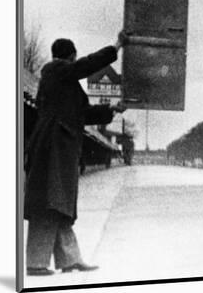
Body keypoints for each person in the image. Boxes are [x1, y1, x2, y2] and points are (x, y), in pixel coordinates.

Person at [24, 32, 127, 276]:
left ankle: (70, 259)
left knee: (58, 201)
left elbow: (84, 114)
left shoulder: (61, 83)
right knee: (50, 200)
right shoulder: (56, 71)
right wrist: (116, 46)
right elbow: (87, 66)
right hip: (54, 145)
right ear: (70, 57)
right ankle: (36, 263)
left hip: (58, 145)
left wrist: (112, 110)